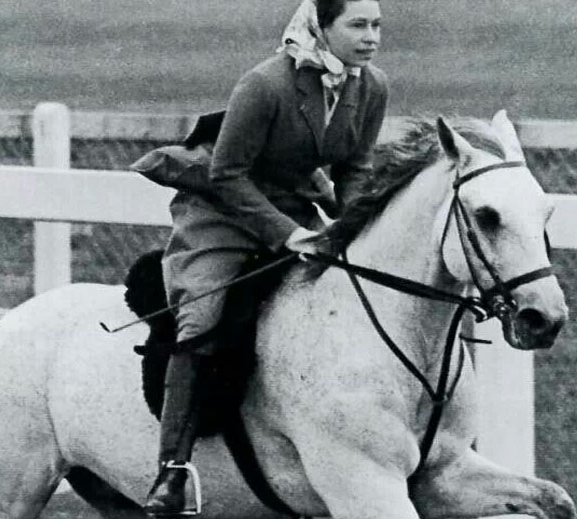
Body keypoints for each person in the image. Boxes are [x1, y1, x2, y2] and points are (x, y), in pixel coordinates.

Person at [144, 0, 388, 514]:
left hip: (297, 205)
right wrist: (289, 235)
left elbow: (356, 169)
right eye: (358, 25)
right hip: (223, 212)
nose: (372, 38)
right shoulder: (265, 84)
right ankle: (171, 471)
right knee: (203, 319)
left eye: (377, 26)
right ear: (321, 28)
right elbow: (226, 174)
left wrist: (351, 230)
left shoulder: (370, 86)